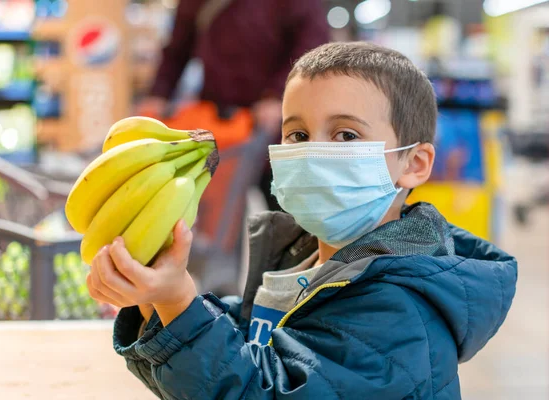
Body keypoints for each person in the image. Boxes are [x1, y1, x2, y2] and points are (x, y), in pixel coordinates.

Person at [88, 42, 518, 399]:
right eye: (297, 134)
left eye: (346, 135)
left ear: (415, 163)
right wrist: (154, 299)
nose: (313, 152)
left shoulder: (402, 307)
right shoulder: (300, 258)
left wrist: (178, 303)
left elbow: (268, 390)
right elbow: (246, 353)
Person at [139, 0, 330, 210]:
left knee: (287, 211)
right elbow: (178, 48)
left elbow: (312, 46)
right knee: (219, 220)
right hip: (220, 125)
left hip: (278, 125)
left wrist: (277, 95)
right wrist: (158, 94)